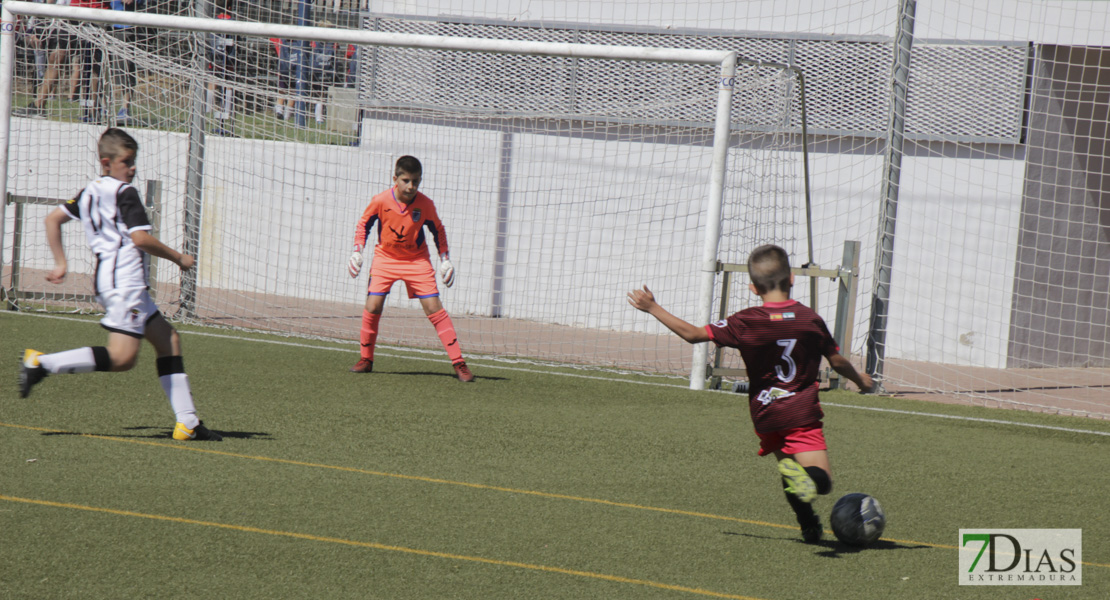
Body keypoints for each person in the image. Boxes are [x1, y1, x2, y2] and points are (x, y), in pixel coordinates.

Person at [627, 244, 872, 543]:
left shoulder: (744, 322)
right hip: (801, 413)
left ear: (754, 288)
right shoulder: (810, 320)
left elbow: (693, 335)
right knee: (821, 483)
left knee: (791, 470)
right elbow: (837, 362)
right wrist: (861, 380)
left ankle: (808, 523)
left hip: (766, 414)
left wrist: (653, 307)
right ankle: (806, 485)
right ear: (792, 278)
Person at [18, 128, 221, 442]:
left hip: (112, 280)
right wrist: (178, 258)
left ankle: (188, 423)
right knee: (123, 358)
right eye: (127, 161)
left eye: (134, 161)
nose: (133, 167)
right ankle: (42, 363)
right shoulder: (125, 192)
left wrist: (61, 262)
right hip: (124, 280)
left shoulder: (89, 191)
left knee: (169, 340)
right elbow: (140, 239)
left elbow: (52, 220)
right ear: (106, 162)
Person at [348, 156, 474, 383]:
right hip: (386, 258)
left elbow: (438, 230)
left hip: (416, 260)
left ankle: (459, 363)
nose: (411, 186)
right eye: (406, 180)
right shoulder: (380, 200)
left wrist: (445, 258)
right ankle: (366, 359)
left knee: (433, 307)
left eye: (416, 181)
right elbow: (363, 224)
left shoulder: (425, 204)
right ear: (395, 179)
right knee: (373, 305)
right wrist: (357, 251)